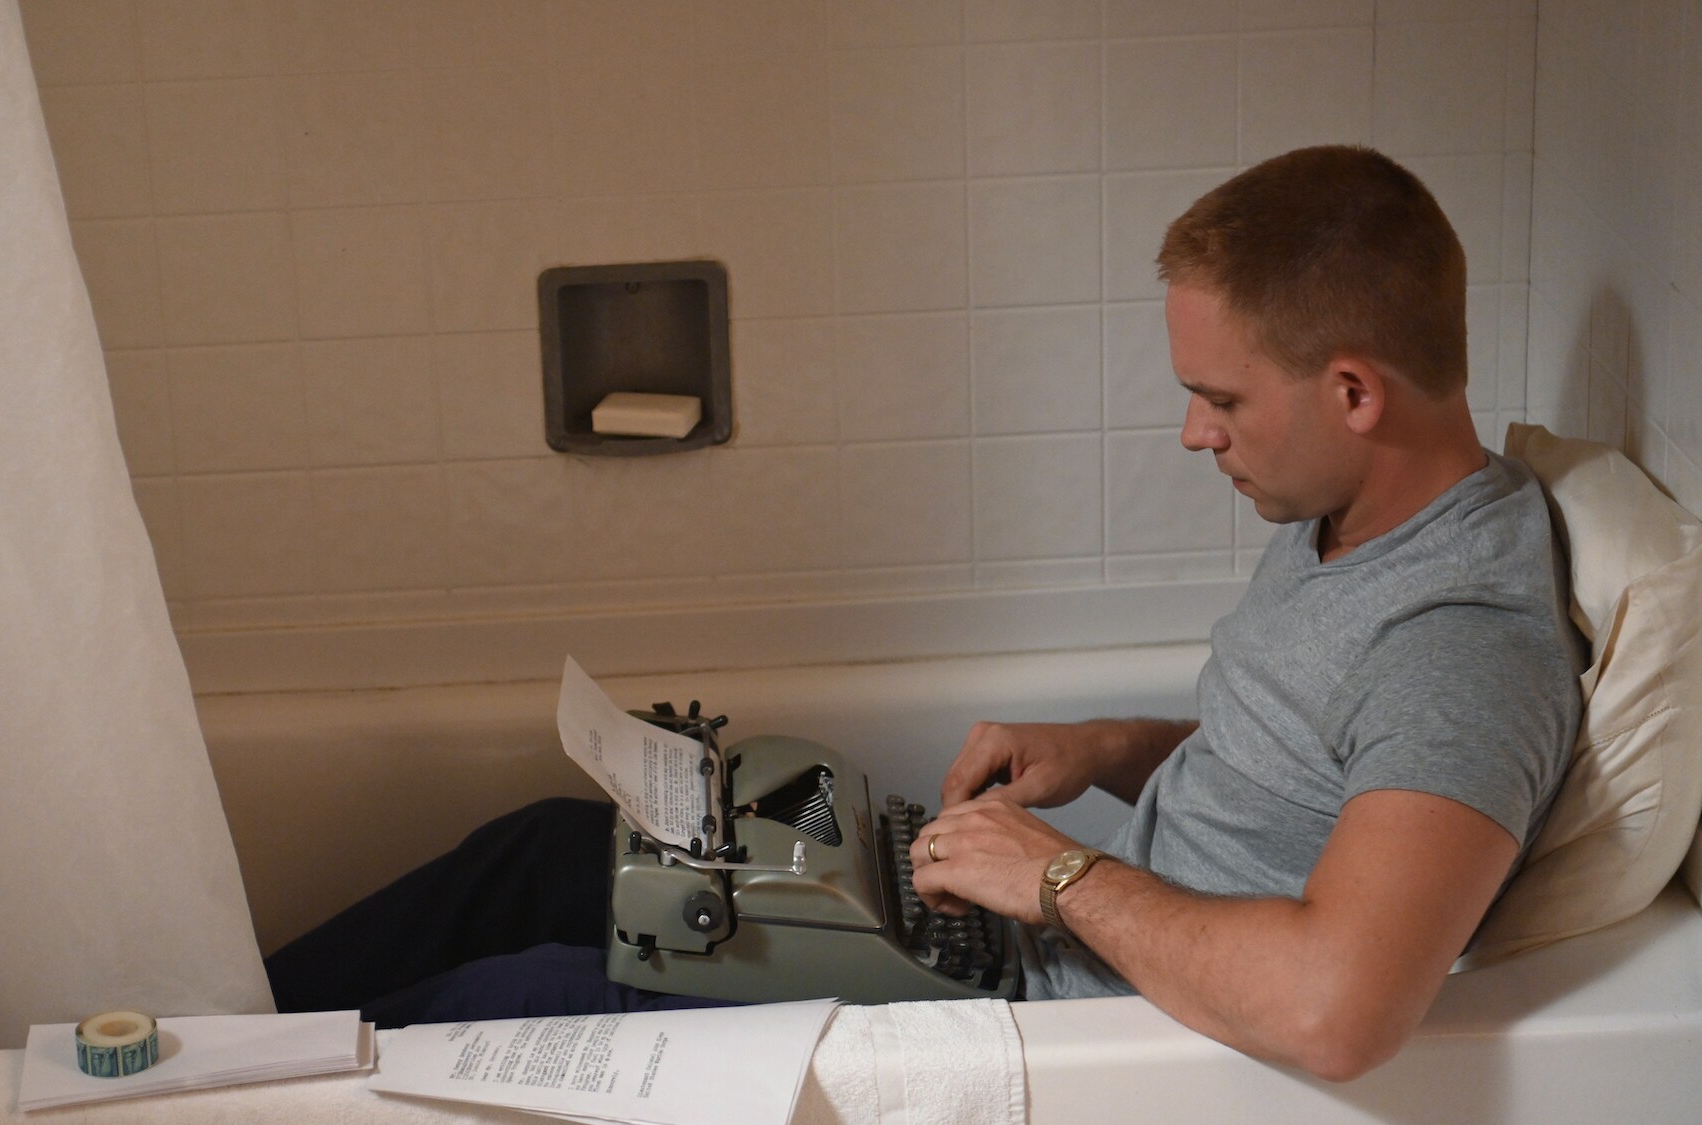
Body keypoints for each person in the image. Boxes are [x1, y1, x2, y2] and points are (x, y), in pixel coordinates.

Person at [265, 146, 1583, 1082]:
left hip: (1031, 990)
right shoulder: (1354, 520)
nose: (1194, 433)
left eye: (1222, 399)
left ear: (1355, 390)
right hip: (1005, 922)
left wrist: (1053, 874)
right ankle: (205, 1037)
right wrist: (1113, 748)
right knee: (545, 851)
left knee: (508, 1009)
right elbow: (1318, 775)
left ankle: (203, 1089)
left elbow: (1337, 1007)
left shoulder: (1463, 650)